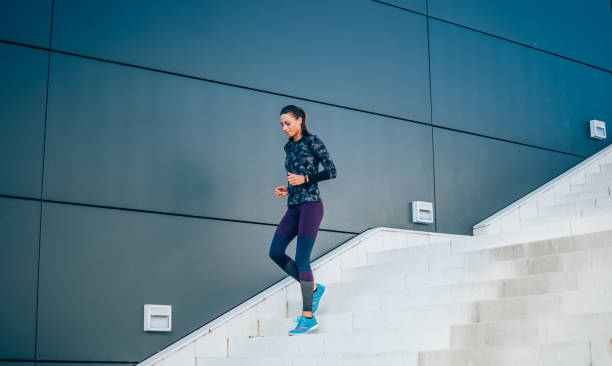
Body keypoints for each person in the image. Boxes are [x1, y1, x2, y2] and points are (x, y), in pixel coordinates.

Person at [269, 104, 337, 336]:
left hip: (311, 207)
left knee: (302, 258)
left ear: (300, 120)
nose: (284, 128)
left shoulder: (313, 141)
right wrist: (288, 189)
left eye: (287, 123)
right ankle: (314, 289)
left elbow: (331, 171)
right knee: (275, 251)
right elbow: (295, 177)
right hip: (294, 206)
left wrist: (305, 178)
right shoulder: (289, 147)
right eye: (281, 124)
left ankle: (308, 317)